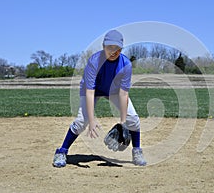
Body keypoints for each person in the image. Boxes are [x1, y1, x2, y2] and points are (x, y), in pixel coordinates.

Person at [53, 30, 147, 167]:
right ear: (103, 46)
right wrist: (91, 120)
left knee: (132, 119)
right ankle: (61, 151)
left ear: (121, 48)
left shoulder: (126, 65)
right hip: (93, 90)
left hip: (114, 91)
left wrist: (122, 122)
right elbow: (90, 92)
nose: (113, 51)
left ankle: (137, 150)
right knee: (81, 121)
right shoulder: (94, 62)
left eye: (117, 48)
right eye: (110, 47)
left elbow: (123, 94)